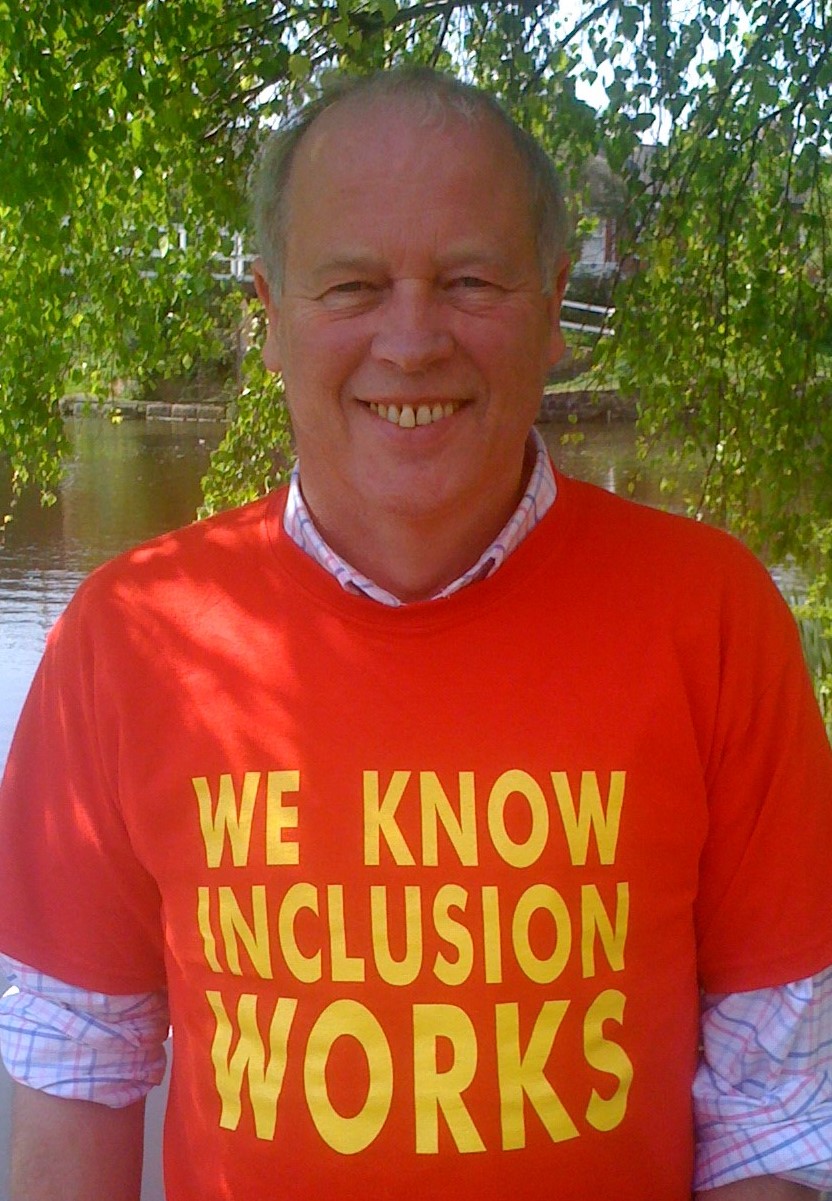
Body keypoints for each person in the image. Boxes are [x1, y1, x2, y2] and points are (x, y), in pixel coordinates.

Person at [0, 67, 831, 1201]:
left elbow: (773, 1111)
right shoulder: (127, 639)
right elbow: (74, 1069)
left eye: (469, 279)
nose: (411, 338)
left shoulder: (714, 616)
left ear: (550, 307)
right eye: (350, 286)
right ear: (271, 314)